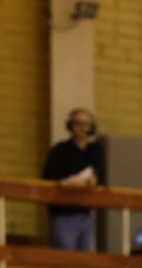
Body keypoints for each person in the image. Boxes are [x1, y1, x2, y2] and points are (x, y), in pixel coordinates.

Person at [42, 108, 106, 252]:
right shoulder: (60, 150)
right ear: (71, 125)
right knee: (65, 256)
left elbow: (101, 176)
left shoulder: (95, 150)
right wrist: (70, 182)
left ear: (91, 127)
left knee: (84, 258)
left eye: (86, 124)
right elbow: (48, 178)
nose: (82, 128)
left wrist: (94, 181)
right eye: (78, 123)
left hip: (85, 213)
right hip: (64, 213)